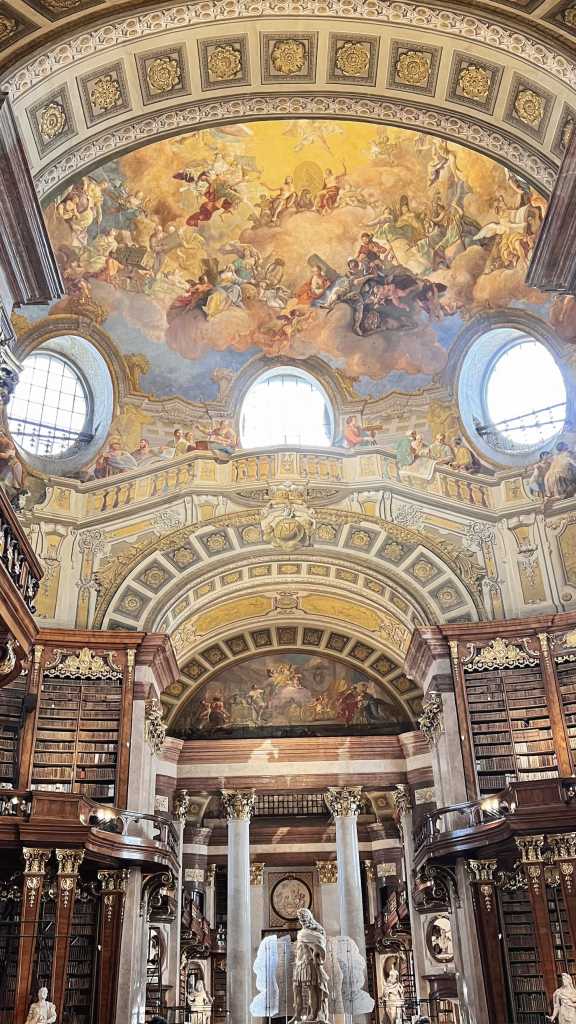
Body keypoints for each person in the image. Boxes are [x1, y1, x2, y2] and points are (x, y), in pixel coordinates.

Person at [289, 908, 330, 1024]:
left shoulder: (313, 933)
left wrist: (316, 953)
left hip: (308, 964)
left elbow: (320, 949)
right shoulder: (301, 933)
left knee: (312, 989)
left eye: (303, 917)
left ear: (308, 918)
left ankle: (313, 1014)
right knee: (296, 989)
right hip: (299, 964)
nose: (302, 920)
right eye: (300, 918)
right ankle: (297, 1015)